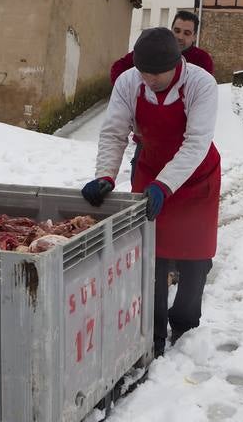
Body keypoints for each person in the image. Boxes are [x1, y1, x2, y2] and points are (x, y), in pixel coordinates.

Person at [84, 27, 220, 357]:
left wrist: (164, 184)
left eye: (158, 73)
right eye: (145, 72)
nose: (151, 79)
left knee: (196, 260)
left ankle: (185, 325)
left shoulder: (201, 84)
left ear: (177, 64)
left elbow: (196, 143)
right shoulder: (129, 82)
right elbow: (115, 133)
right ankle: (154, 334)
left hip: (196, 177)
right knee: (151, 256)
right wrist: (105, 175)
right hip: (150, 170)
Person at [110, 10, 214, 84]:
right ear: (171, 29)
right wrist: (127, 91)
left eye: (186, 33)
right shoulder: (154, 48)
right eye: (176, 31)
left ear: (194, 37)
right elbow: (118, 67)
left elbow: (205, 88)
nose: (180, 37)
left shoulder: (202, 59)